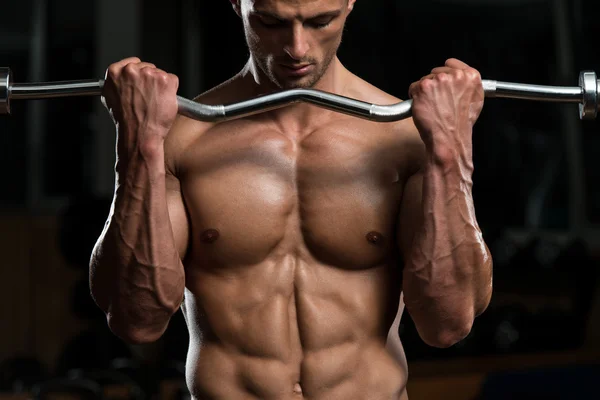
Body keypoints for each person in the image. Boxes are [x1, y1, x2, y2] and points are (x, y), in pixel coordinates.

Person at [89, 0, 494, 399]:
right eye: (271, 22)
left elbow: (447, 324)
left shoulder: (404, 139)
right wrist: (138, 147)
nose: (297, 48)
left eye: (320, 21)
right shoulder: (183, 139)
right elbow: (136, 320)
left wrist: (449, 152)